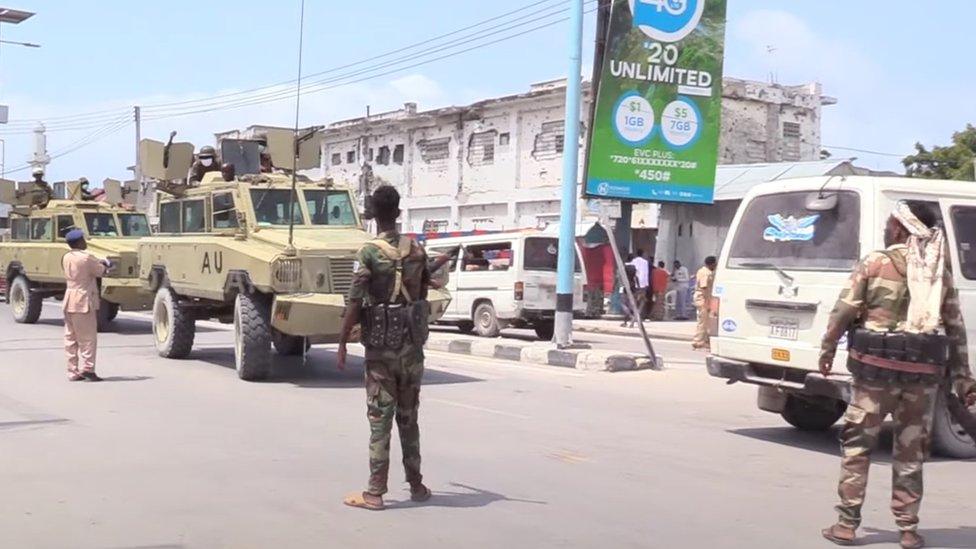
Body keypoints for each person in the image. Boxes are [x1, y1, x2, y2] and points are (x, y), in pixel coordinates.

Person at [819, 202, 976, 549]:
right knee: (911, 454)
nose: (887, 228)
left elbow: (845, 309)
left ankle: (846, 525)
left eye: (891, 223)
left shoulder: (875, 263)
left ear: (902, 228)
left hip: (874, 378)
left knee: (858, 448)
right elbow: (955, 328)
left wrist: (827, 348)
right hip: (920, 382)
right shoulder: (939, 273)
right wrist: (964, 376)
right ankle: (907, 530)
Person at [338, 185, 457, 511]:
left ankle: (375, 492)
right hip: (411, 349)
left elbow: (354, 300)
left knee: (380, 419)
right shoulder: (416, 250)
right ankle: (416, 485)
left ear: (373, 215)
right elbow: (419, 289)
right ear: (399, 212)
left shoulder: (368, 253)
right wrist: (433, 267)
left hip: (380, 351)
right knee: (409, 417)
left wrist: (342, 341)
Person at [61, 229, 111, 382]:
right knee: (87, 337)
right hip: (82, 300)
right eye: (83, 239)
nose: (85, 242)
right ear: (78, 242)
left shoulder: (66, 256)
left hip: (69, 298)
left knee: (71, 337)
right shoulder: (86, 257)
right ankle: (88, 368)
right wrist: (106, 264)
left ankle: (72, 370)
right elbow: (101, 271)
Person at [692, 256, 717, 350]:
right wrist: (707, 303)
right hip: (703, 298)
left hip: (705, 298)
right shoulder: (705, 273)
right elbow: (704, 287)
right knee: (703, 321)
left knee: (707, 321)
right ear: (712, 264)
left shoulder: (704, 271)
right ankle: (698, 341)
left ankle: (705, 341)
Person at [628, 250, 650, 321]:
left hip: (634, 283)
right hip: (642, 284)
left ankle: (634, 315)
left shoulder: (633, 261)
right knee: (642, 301)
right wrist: (646, 284)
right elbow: (645, 274)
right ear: (643, 254)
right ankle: (638, 315)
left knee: (634, 300)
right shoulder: (645, 262)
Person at [619, 263, 640, 328]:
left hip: (626, 291)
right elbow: (638, 286)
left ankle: (631, 317)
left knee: (624, 305)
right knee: (632, 307)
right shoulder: (635, 277)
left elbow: (622, 285)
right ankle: (628, 322)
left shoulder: (625, 278)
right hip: (634, 292)